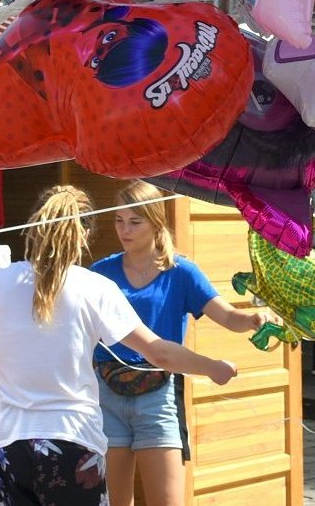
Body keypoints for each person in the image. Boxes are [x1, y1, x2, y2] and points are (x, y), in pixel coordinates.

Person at [0, 186, 236, 506]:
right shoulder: (95, 288)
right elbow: (157, 351)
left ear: (35, 227)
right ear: (84, 234)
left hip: (5, 445)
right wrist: (212, 367)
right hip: (71, 442)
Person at [91, 182, 274, 506]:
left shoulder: (182, 272)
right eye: (119, 220)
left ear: (155, 220)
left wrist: (253, 319)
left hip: (158, 396)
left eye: (135, 221)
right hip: (105, 395)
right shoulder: (101, 273)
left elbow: (229, 316)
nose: (124, 230)